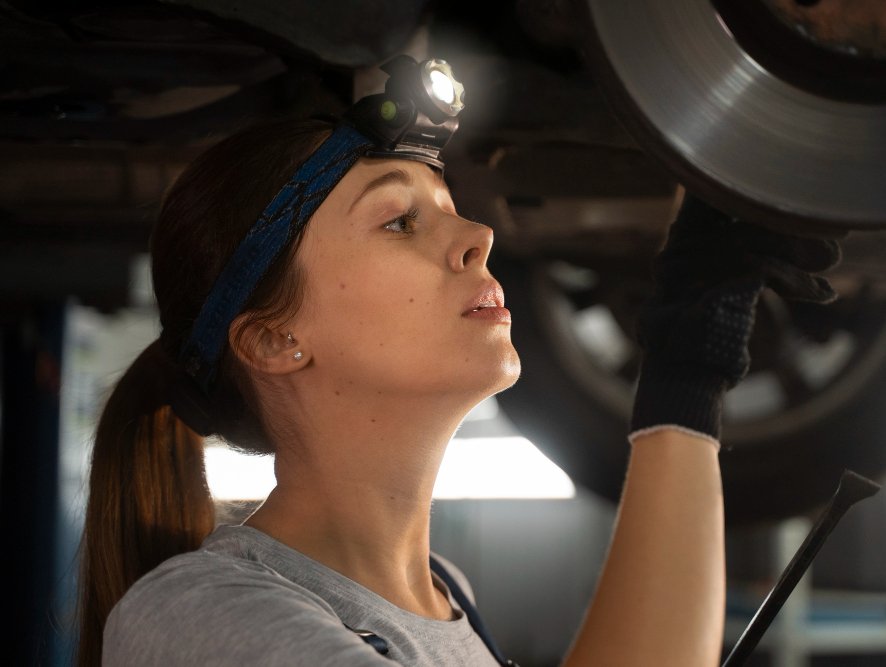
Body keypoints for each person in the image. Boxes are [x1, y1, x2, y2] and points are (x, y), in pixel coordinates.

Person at [76, 56, 840, 666]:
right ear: (275, 340)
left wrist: (688, 359)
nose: (478, 232)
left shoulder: (445, 599)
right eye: (400, 220)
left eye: (447, 204)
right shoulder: (202, 614)